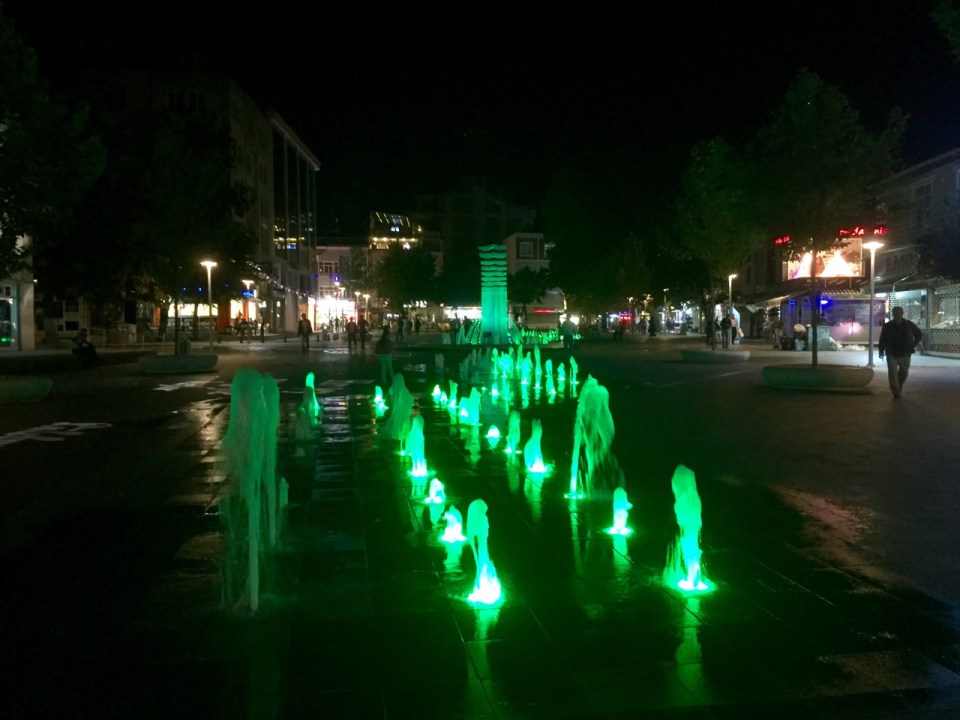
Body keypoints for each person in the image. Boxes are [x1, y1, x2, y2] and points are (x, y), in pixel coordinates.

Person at [878, 306, 924, 399]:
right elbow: (882, 339)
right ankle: (896, 392)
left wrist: (913, 345)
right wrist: (881, 350)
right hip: (891, 353)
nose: (898, 315)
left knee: (904, 373)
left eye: (900, 313)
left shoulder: (909, 325)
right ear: (893, 314)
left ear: (902, 313)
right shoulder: (888, 326)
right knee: (892, 374)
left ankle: (898, 385)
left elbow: (919, 334)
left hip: (905, 353)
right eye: (896, 313)